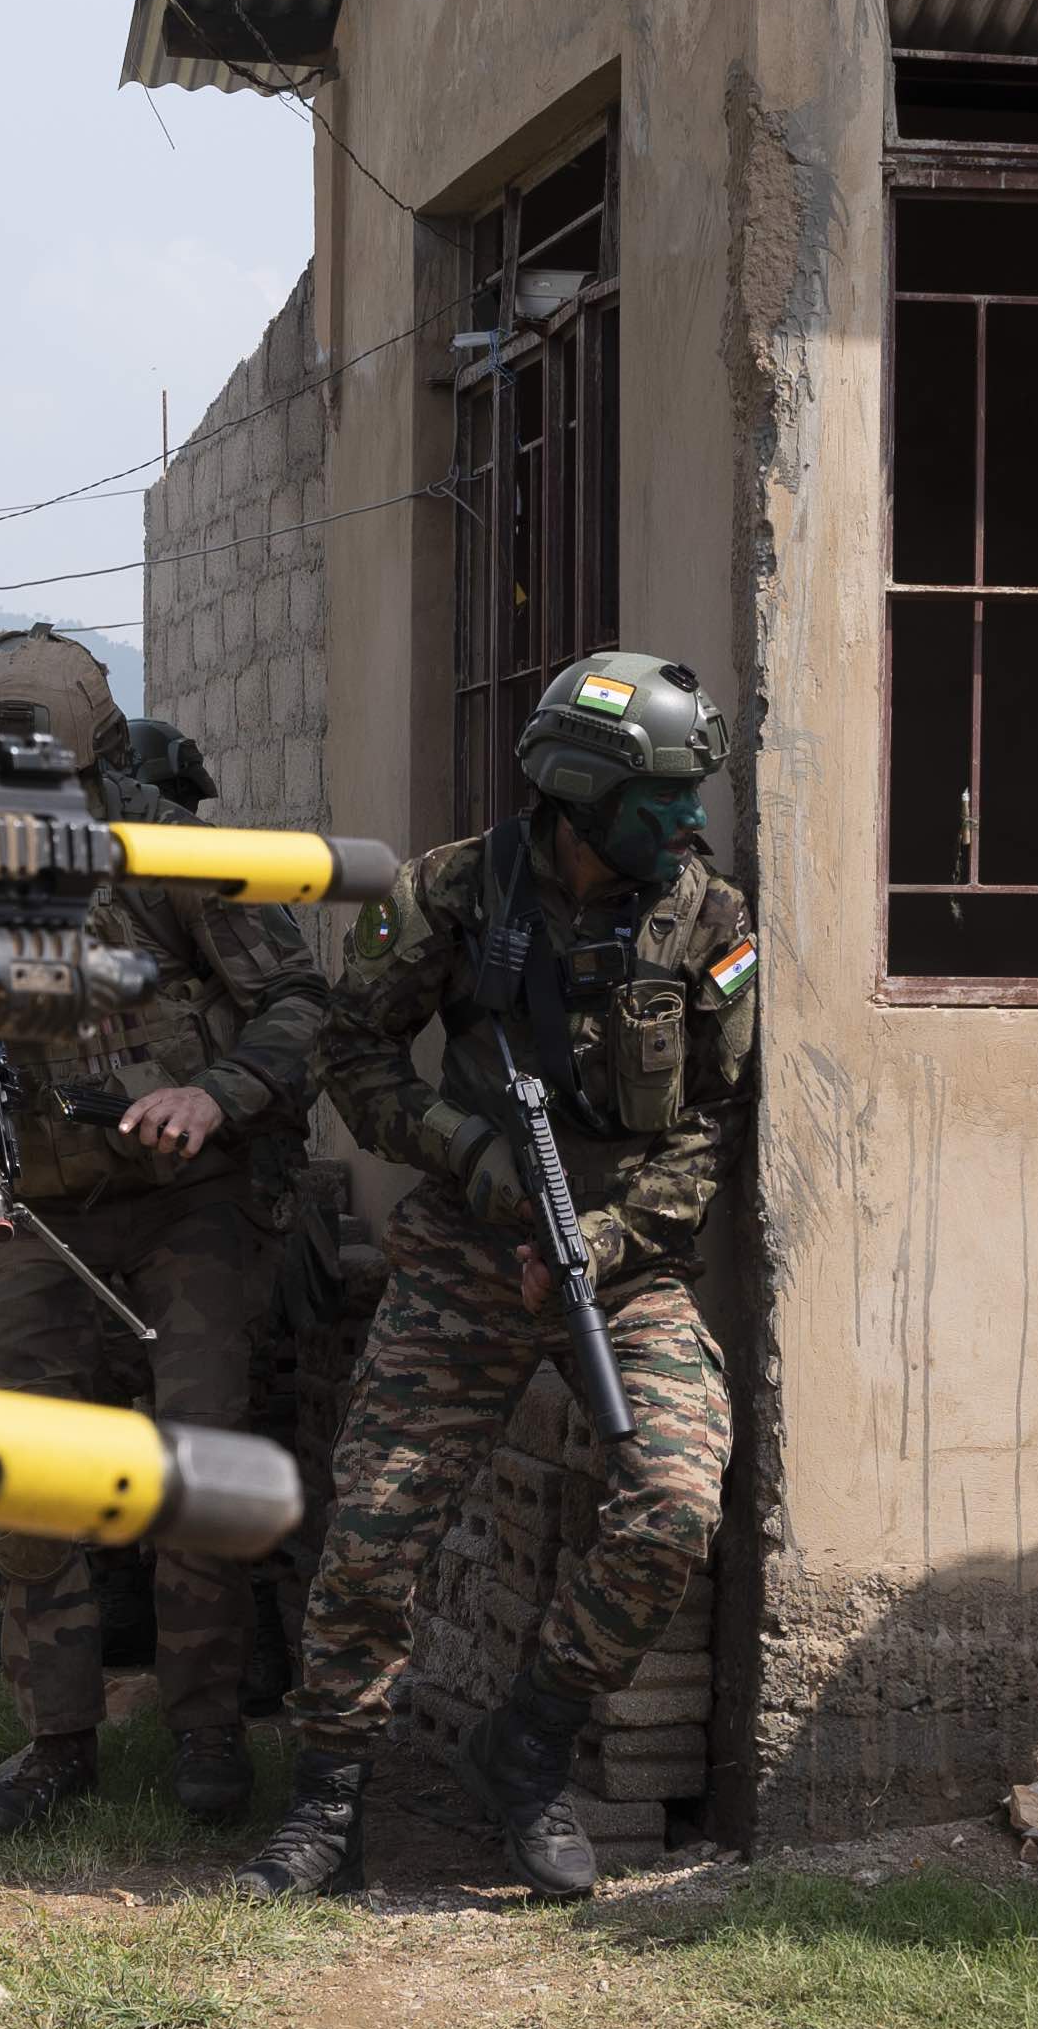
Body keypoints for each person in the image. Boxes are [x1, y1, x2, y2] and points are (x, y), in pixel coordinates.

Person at [249, 652, 753, 1905]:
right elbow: (352, 1055)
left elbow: (713, 1124)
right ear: (582, 798)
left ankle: (524, 1753)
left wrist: (614, 1239)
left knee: (677, 1501)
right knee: (372, 1532)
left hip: (624, 1270)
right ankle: (327, 1802)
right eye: (666, 800)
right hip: (467, 1262)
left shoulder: (709, 920)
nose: (691, 822)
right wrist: (466, 1154)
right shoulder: (453, 894)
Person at [0, 627, 326, 1835]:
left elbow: (301, 1002)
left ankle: (206, 1728)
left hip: (187, 1203)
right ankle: (56, 1743)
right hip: (37, 1209)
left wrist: (220, 1092)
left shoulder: (177, 858)